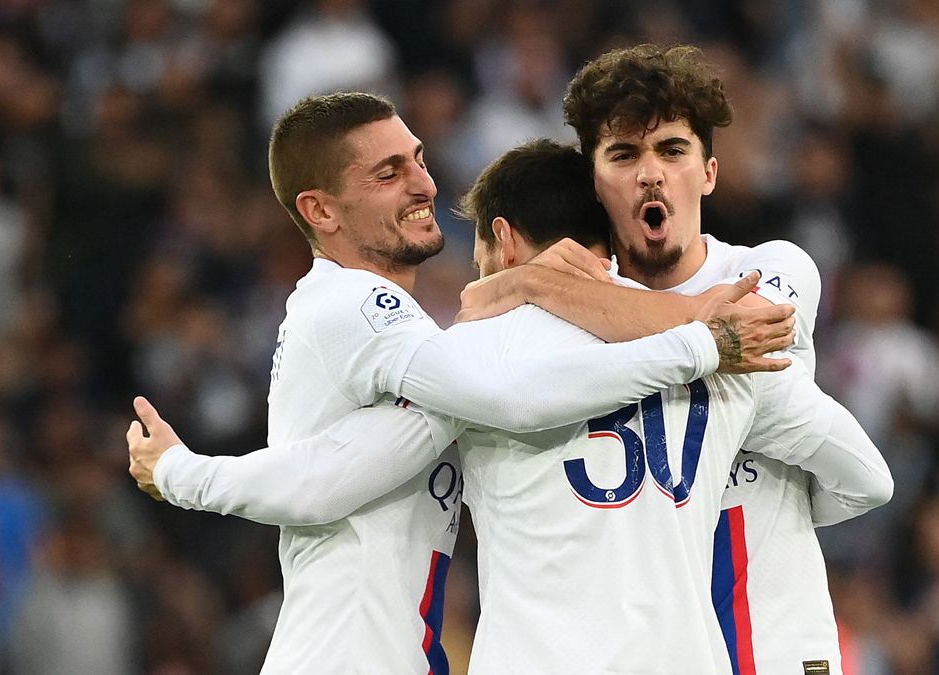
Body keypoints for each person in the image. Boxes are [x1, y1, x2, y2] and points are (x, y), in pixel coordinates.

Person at [131, 138, 891, 673]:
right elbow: (868, 477)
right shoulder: (736, 359)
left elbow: (326, 479)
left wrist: (179, 471)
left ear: (501, 237)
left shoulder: (474, 358)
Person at [457, 44, 855, 674]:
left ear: (709, 172)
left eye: (672, 150)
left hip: (775, 640)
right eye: (623, 155)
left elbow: (744, 328)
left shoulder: (772, 268)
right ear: (593, 179)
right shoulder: (558, 321)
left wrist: (531, 282)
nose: (651, 173)